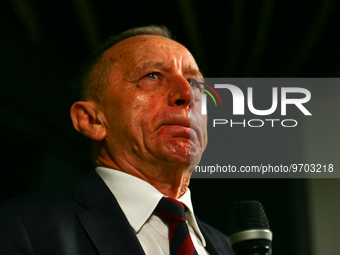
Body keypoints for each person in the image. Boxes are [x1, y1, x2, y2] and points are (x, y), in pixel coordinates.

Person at [0, 26, 233, 254]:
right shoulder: (22, 228)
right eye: (152, 76)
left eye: (197, 83)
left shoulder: (230, 248)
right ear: (92, 120)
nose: (187, 93)